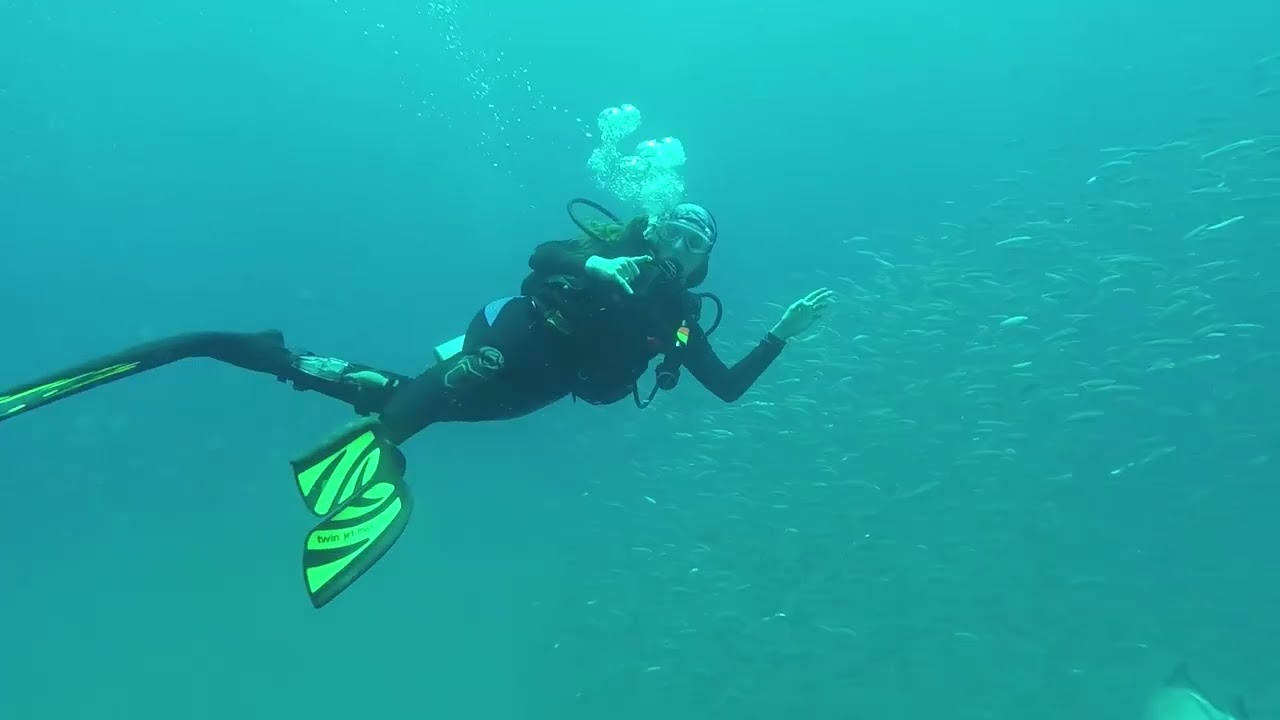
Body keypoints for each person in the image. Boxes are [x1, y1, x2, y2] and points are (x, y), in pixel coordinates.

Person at [0, 199, 833, 607]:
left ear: (702, 262)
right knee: (460, 379)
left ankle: (261, 352)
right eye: (676, 232)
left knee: (379, 388)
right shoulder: (610, 254)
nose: (681, 248)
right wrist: (592, 268)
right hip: (510, 346)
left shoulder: (679, 321)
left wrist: (781, 335)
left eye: (698, 244)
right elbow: (539, 253)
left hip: (530, 397)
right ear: (655, 232)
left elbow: (722, 390)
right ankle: (381, 452)